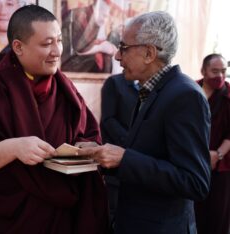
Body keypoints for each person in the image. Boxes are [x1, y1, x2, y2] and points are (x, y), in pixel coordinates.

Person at [0, 5, 108, 234]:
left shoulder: (66, 91)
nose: (57, 51)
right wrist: (14, 147)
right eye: (46, 44)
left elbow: (88, 134)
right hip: (9, 216)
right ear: (18, 47)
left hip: (61, 215)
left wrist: (85, 149)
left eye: (59, 41)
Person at [78, 11, 211, 234]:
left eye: (124, 48)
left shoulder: (184, 96)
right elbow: (148, 153)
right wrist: (104, 155)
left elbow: (194, 182)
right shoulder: (153, 90)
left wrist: (123, 158)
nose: (118, 56)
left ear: (149, 53)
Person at [194, 54, 230, 234]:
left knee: (218, 215)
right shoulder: (191, 91)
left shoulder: (228, 95)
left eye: (223, 71)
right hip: (192, 163)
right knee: (194, 213)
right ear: (203, 71)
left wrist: (218, 154)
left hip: (220, 166)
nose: (220, 76)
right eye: (214, 71)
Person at [100, 73, 138, 226]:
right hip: (117, 158)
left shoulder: (155, 85)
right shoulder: (115, 83)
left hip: (141, 163)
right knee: (114, 211)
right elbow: (108, 119)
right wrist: (132, 141)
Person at [61, 0, 117, 73]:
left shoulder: (95, 17)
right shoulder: (80, 15)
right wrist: (102, 47)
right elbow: (79, 50)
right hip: (69, 62)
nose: (104, 20)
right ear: (98, 8)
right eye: (104, 15)